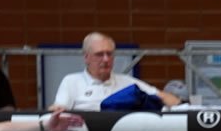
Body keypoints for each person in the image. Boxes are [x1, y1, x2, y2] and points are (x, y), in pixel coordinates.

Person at [48, 32, 180, 112]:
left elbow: (164, 97)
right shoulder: (71, 82)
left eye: (109, 54)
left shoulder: (128, 82)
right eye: (99, 54)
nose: (106, 59)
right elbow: (59, 108)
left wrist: (181, 106)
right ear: (86, 57)